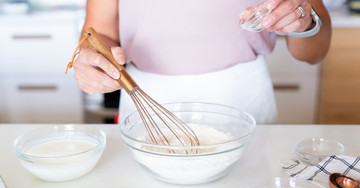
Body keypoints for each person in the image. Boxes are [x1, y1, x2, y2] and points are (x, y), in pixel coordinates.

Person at [71, 0, 331, 124]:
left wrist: (304, 23)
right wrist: (91, 60)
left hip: (243, 101)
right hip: (147, 102)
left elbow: (314, 52)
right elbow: (97, 32)